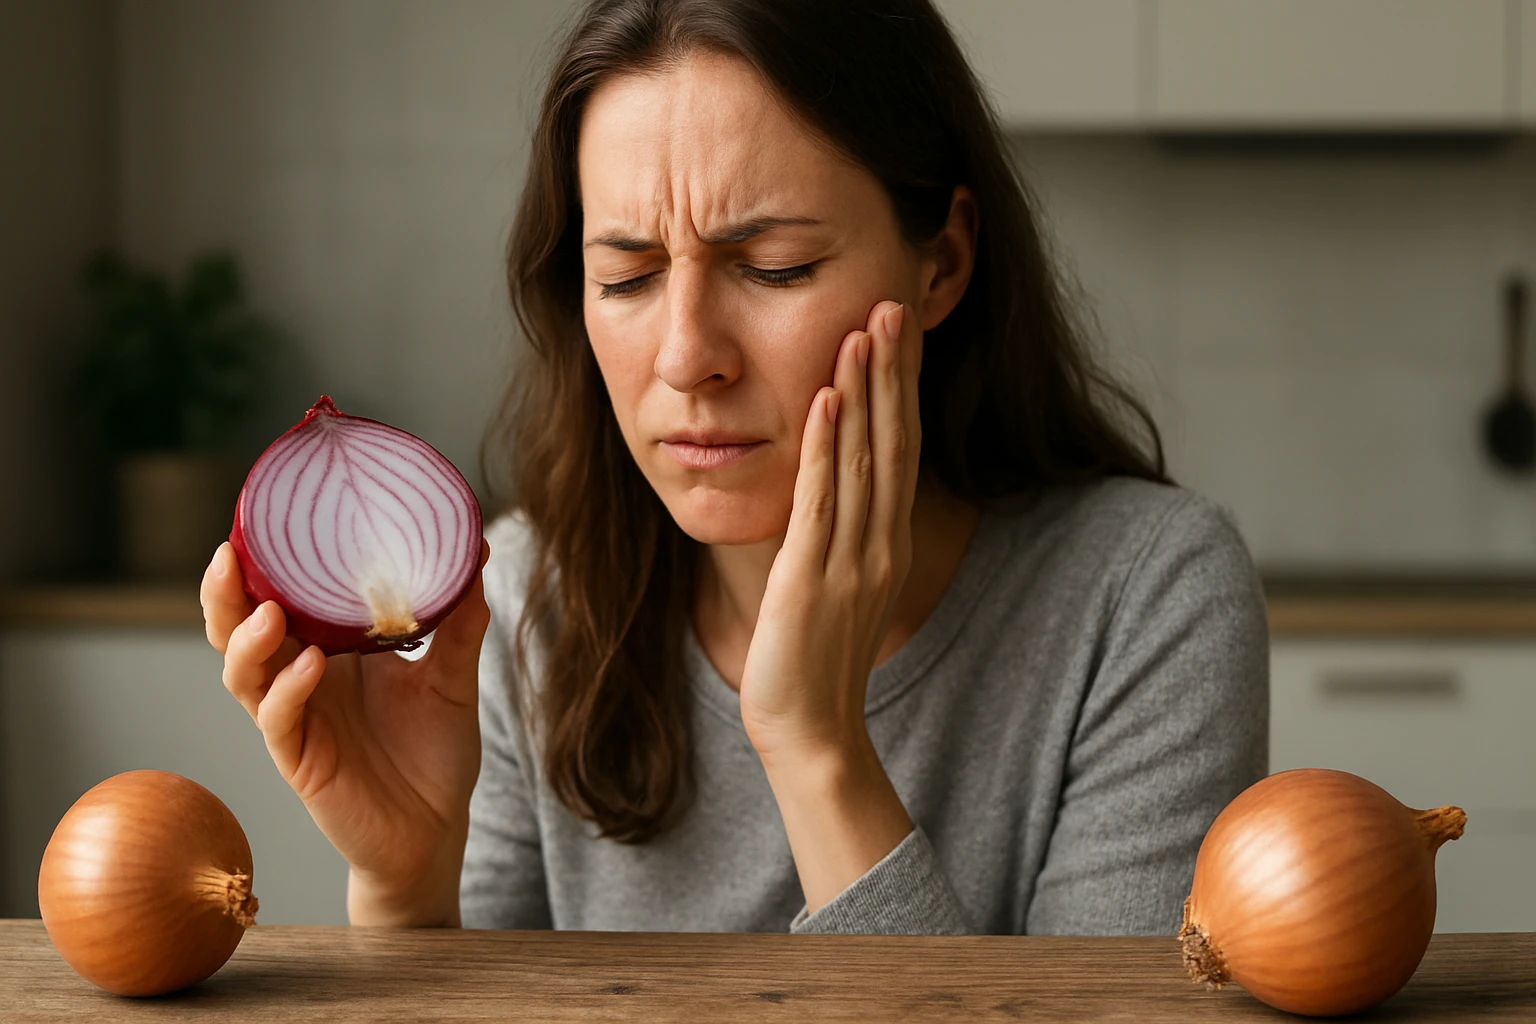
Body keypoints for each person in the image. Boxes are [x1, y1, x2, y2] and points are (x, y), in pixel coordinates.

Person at [202, 0, 1268, 936]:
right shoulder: (526, 597)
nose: (685, 358)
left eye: (774, 267)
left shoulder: (1148, 595)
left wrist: (816, 746)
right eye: (625, 275)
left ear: (941, 262)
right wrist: (405, 887)